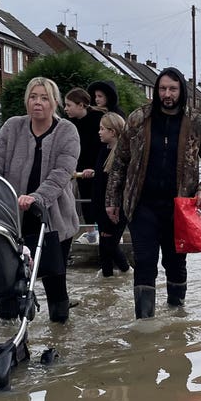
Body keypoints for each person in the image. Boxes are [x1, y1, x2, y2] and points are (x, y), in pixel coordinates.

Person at [105, 66, 201, 319]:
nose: (167, 94)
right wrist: (112, 200)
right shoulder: (139, 119)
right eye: (162, 89)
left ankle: (176, 315)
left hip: (180, 209)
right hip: (142, 205)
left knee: (175, 263)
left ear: (181, 91)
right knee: (144, 263)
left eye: (172, 89)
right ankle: (145, 325)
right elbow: (120, 162)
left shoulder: (197, 123)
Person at [0, 76, 80, 323]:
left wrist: (36, 198)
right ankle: (7, 330)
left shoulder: (67, 131)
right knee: (8, 278)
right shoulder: (12, 127)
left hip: (52, 219)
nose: (38, 103)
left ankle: (60, 330)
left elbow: (62, 173)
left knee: (54, 280)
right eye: (33, 97)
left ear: (55, 102)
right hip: (13, 217)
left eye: (44, 98)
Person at [86, 111, 130, 277]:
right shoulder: (104, 150)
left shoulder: (121, 154)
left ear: (112, 132)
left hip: (114, 209)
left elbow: (118, 183)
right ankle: (109, 281)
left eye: (102, 128)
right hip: (101, 206)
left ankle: (124, 273)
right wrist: (94, 172)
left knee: (108, 246)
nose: (99, 131)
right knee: (105, 247)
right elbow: (104, 176)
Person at [63, 87, 102, 233]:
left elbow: (105, 148)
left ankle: (105, 232)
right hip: (79, 169)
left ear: (81, 105)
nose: (66, 109)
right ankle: (91, 233)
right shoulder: (68, 123)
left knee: (99, 200)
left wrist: (96, 169)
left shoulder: (98, 119)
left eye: (69, 105)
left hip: (98, 169)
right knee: (85, 201)